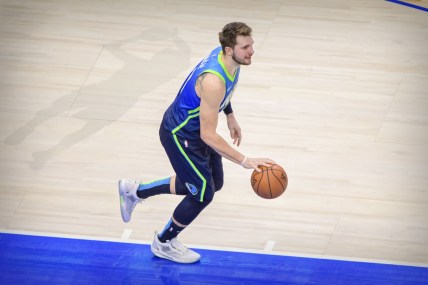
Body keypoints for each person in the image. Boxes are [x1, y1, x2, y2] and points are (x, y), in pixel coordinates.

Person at [118, 22, 275, 263]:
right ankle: (164, 242)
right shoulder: (213, 81)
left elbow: (224, 95)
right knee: (202, 194)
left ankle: (135, 191)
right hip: (180, 135)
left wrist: (230, 114)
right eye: (246, 47)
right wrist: (244, 160)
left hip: (194, 130)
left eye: (251, 45)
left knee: (212, 183)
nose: (252, 51)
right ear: (230, 50)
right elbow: (208, 135)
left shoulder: (228, 59)